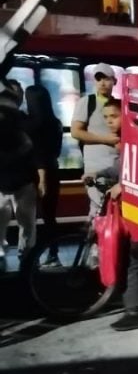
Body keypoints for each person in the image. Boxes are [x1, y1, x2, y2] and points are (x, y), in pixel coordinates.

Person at [102, 98, 138, 331]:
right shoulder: (131, 137)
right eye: (106, 117)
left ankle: (135, 310)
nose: (109, 122)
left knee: (135, 259)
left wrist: (123, 185)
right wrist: (101, 172)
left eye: (113, 116)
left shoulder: (135, 138)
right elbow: (122, 166)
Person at [70, 63, 120, 217]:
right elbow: (76, 131)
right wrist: (105, 140)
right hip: (96, 167)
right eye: (98, 79)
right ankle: (96, 238)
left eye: (106, 79)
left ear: (114, 81)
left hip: (118, 165)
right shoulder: (87, 102)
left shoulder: (117, 105)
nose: (102, 83)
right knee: (100, 209)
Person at [0, 80, 39, 270]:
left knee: (27, 223)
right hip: (4, 181)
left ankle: (27, 257)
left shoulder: (26, 122)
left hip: (24, 180)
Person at [25, 84, 63, 267]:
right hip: (53, 170)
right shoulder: (55, 122)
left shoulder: (29, 124)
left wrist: (41, 178)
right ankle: (54, 254)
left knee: (30, 217)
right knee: (50, 216)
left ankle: (30, 256)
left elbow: (35, 152)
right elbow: (55, 151)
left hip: (34, 174)